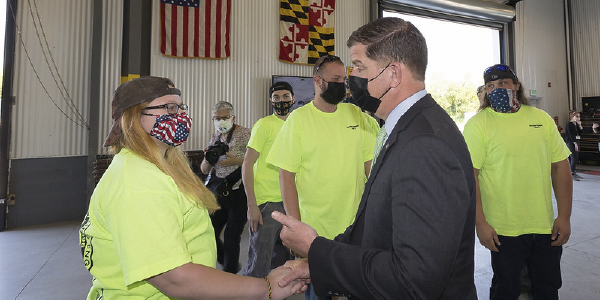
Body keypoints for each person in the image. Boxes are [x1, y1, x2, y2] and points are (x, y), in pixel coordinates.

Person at [272, 17, 478, 299]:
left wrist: (316, 248)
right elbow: (373, 231)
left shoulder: (425, 145)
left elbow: (414, 280)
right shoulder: (404, 128)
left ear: (393, 74)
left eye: (359, 68)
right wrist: (317, 263)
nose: (351, 79)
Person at [79, 76, 305, 299]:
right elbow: (174, 279)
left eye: (180, 107)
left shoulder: (161, 166)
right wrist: (265, 288)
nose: (180, 117)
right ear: (134, 117)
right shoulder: (138, 182)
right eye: (169, 108)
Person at [267, 54, 379, 300]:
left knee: (358, 290)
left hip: (355, 229)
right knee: (320, 294)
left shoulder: (355, 115)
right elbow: (286, 175)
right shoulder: (299, 119)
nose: (342, 83)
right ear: (318, 81)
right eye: (336, 79)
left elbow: (369, 167)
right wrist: (295, 226)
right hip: (316, 232)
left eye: (344, 78)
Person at [463, 64, 573, 299]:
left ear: (517, 86)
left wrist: (564, 216)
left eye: (502, 83)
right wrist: (480, 223)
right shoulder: (478, 124)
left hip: (544, 227)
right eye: (490, 86)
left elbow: (560, 166)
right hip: (503, 230)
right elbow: (469, 178)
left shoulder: (541, 119)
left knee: (547, 288)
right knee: (506, 290)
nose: (496, 90)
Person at [241, 82, 295, 278]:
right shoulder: (264, 125)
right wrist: (252, 205)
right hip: (267, 205)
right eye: (277, 97)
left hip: (290, 203)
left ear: (293, 98)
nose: (282, 101)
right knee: (258, 264)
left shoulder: (296, 124)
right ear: (271, 101)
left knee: (282, 263)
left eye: (286, 96)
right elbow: (247, 164)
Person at [200, 101, 251, 274]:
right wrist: (208, 159)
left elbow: (258, 161)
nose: (221, 121)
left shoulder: (245, 134)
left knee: (231, 236)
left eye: (225, 118)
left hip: (239, 191)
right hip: (219, 192)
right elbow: (203, 169)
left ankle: (230, 273)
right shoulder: (214, 137)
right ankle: (226, 261)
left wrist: (237, 161)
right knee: (210, 232)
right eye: (217, 118)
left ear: (233, 118)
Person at [565, 110, 584, 180]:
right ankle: (571, 172)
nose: (578, 118)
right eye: (577, 116)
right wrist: (575, 144)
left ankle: (573, 171)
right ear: (573, 116)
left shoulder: (576, 124)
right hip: (571, 142)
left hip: (577, 141)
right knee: (573, 157)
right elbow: (571, 135)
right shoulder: (569, 124)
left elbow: (581, 132)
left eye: (579, 116)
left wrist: (580, 125)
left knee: (576, 157)